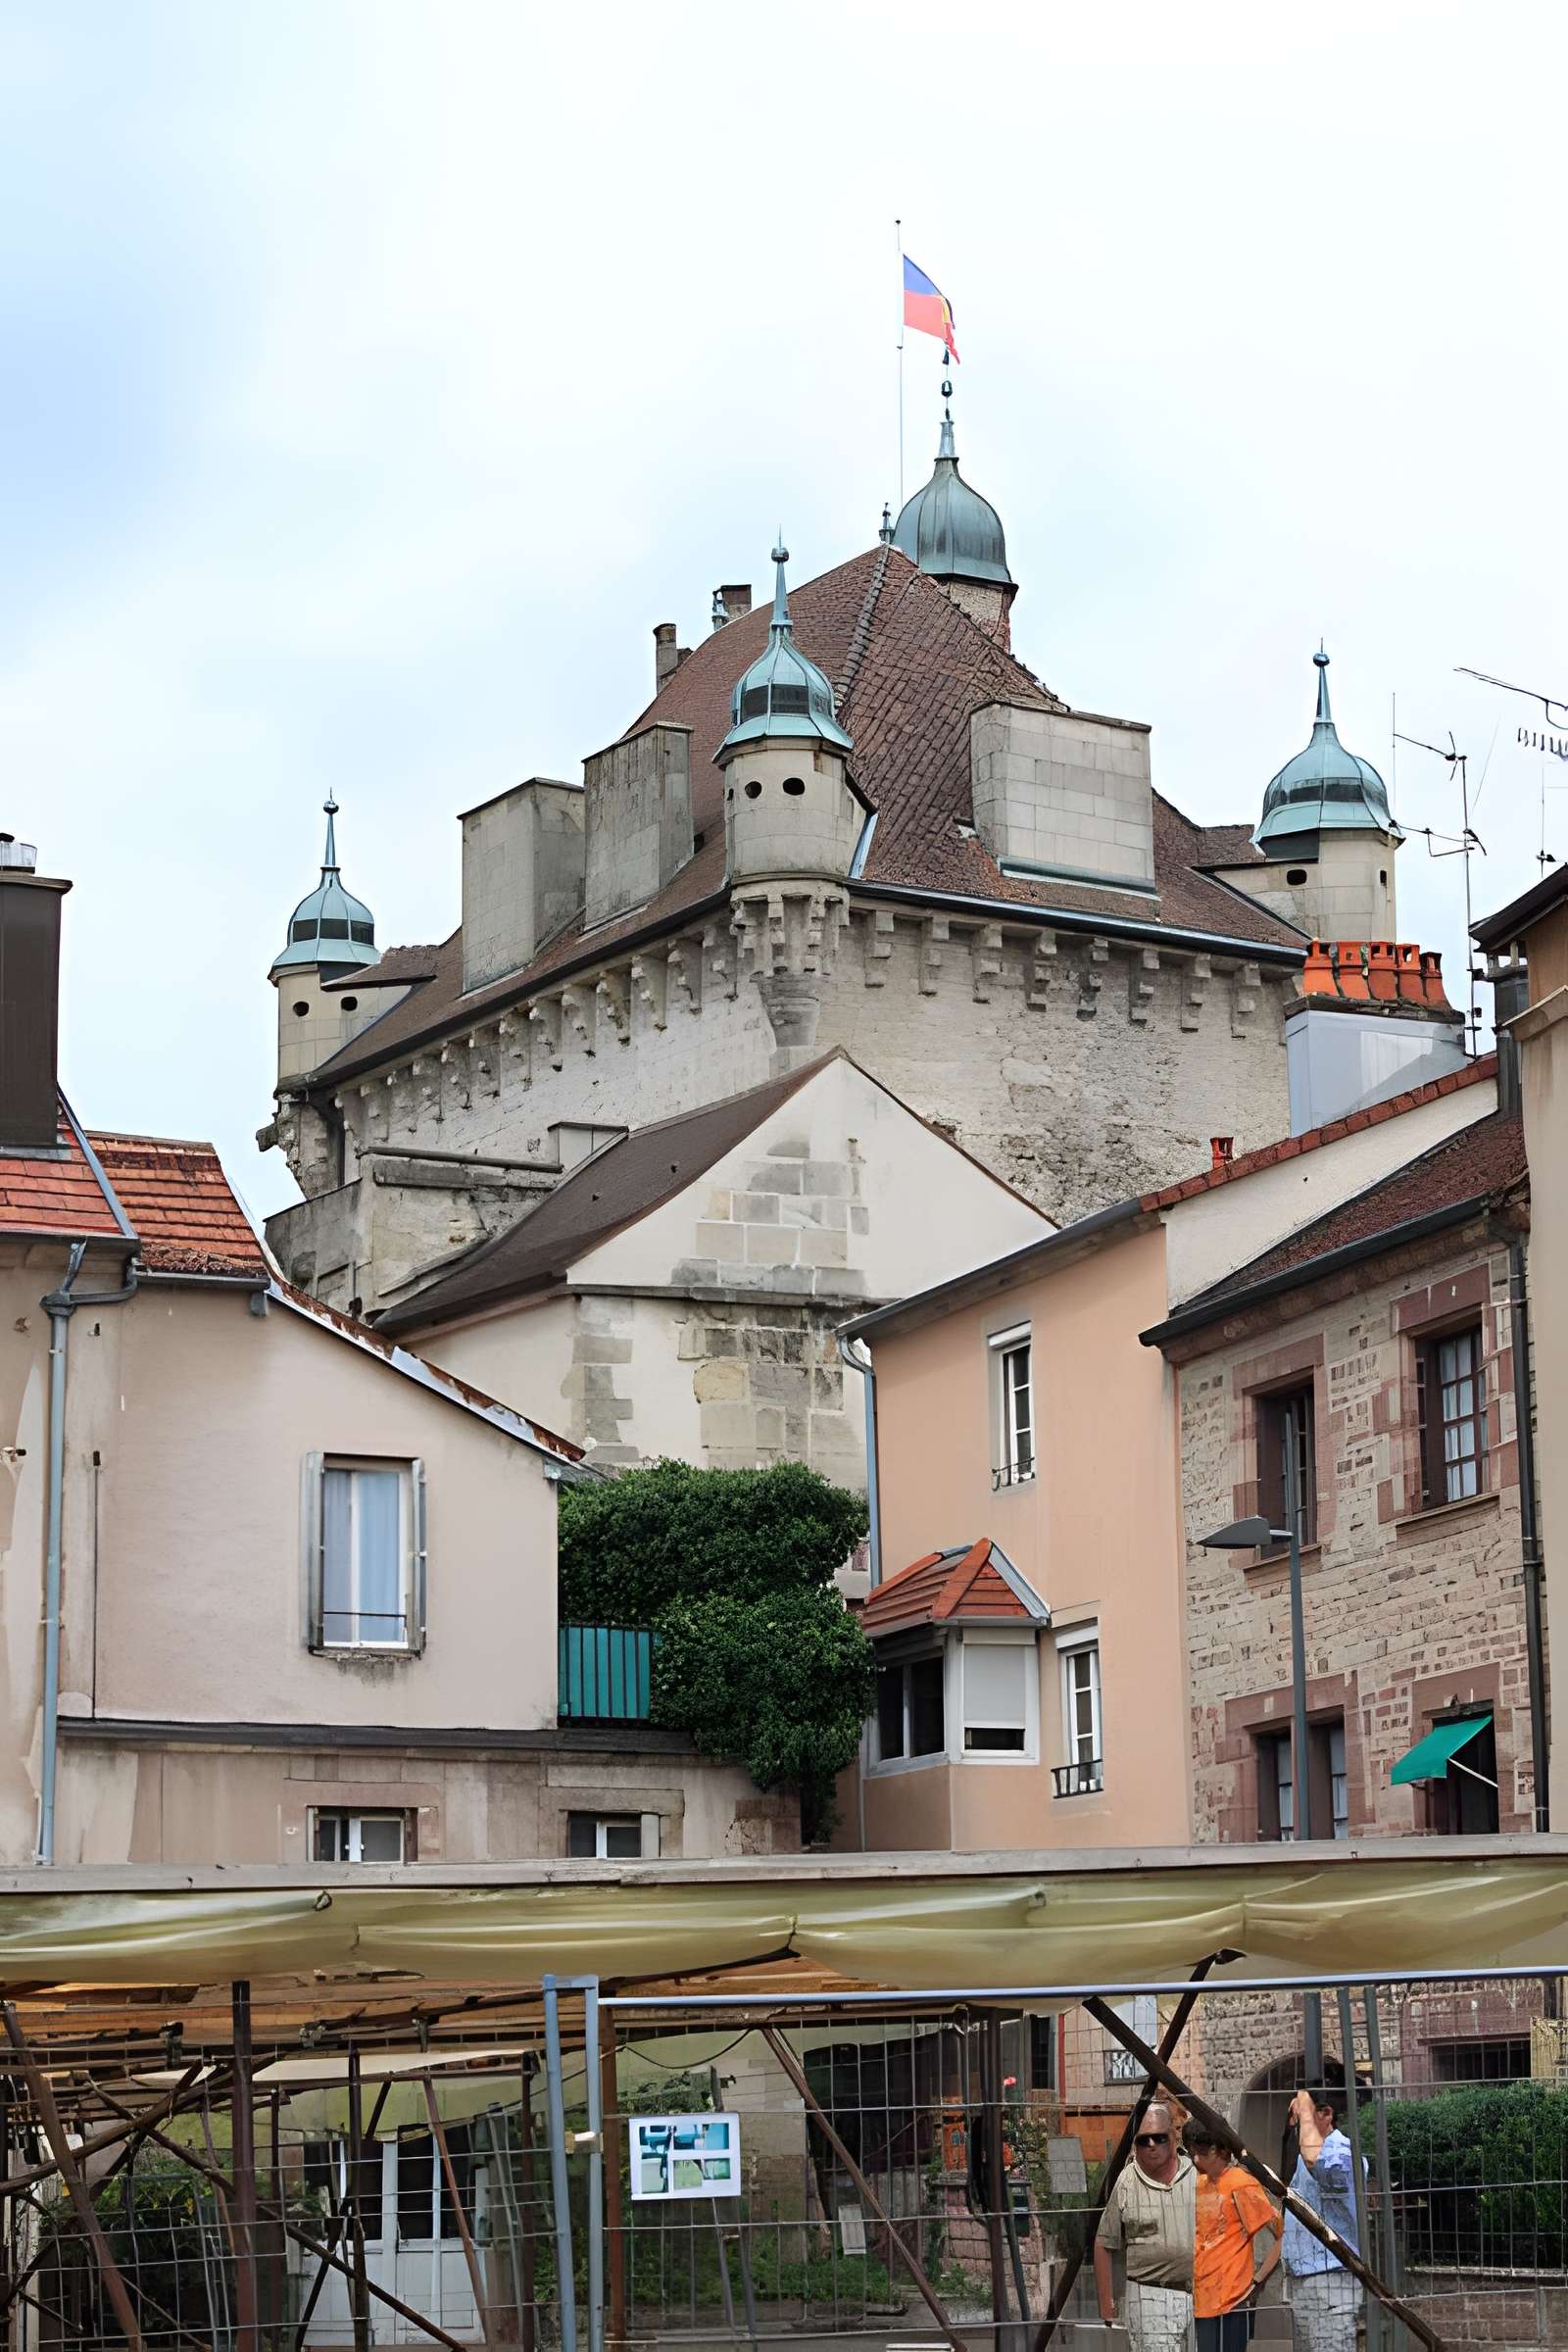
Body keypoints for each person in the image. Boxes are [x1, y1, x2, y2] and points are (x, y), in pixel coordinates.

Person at [1095, 2101, 1197, 2352]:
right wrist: (1106, 2300)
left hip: (1201, 2293)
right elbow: (1103, 2241)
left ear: (1173, 2137)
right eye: (1143, 2139)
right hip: (1150, 2295)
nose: (1151, 2144)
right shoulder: (1128, 2180)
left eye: (1159, 2137)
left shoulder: (1196, 2174)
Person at [1184, 2121, 1281, 2352]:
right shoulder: (1198, 2184)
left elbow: (1282, 2233)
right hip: (1202, 2298)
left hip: (1233, 2298)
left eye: (1201, 2153)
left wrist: (1259, 2279)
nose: (1196, 2160)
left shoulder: (1241, 2183)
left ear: (1216, 2151)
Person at [1282, 2086, 1364, 2352]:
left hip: (1332, 2280)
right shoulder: (1303, 2159)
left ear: (1326, 2113)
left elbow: (1317, 2162)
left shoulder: (1340, 2152)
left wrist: (1305, 2106)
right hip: (1308, 2280)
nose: (1296, 2122)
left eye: (1301, 2114)